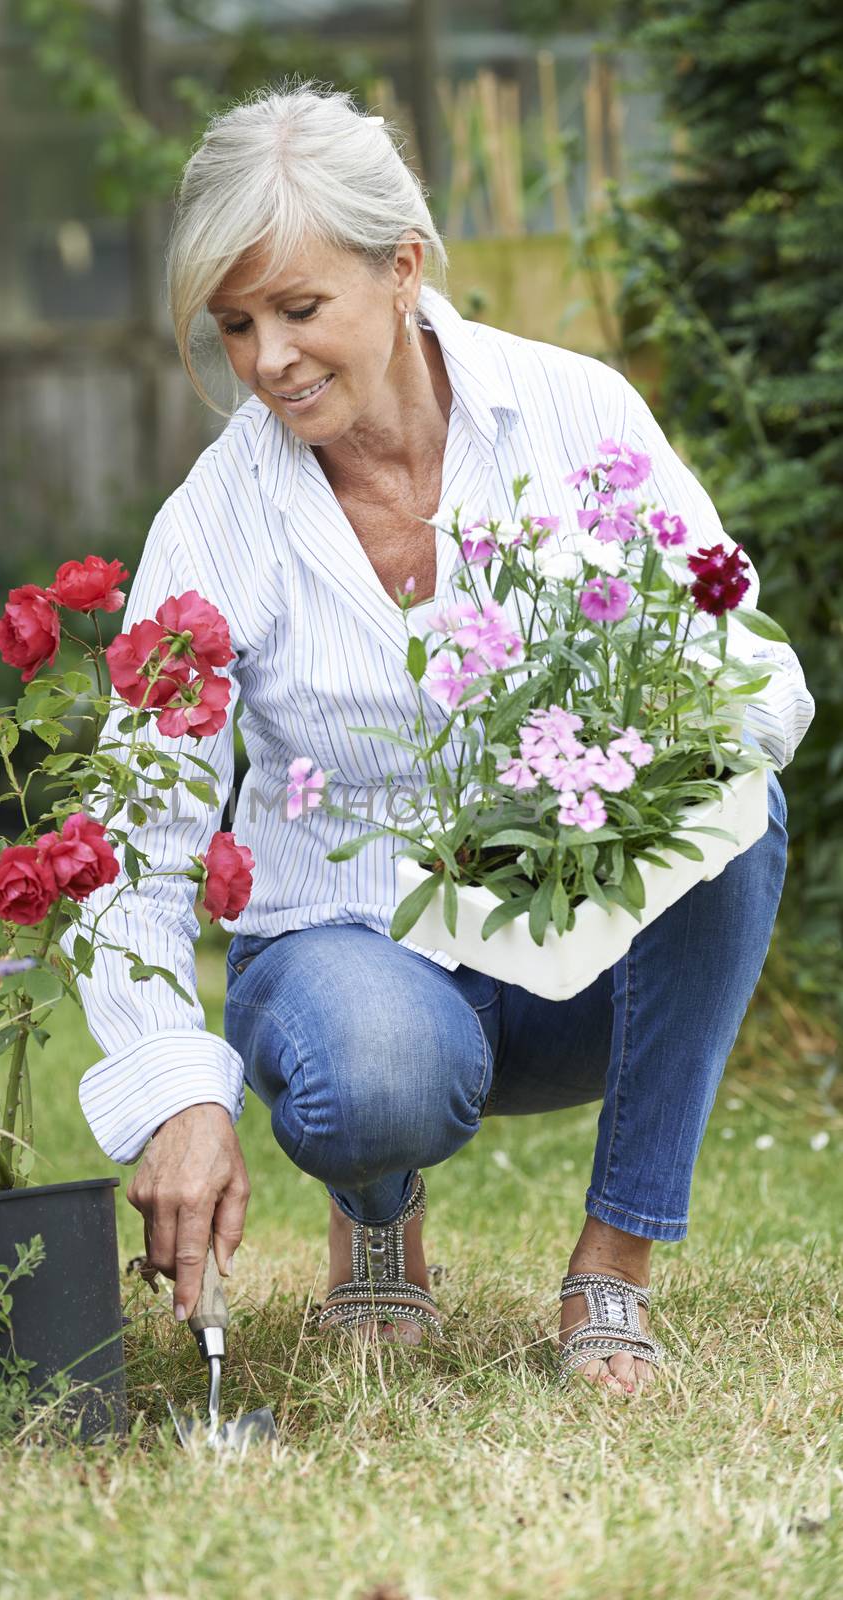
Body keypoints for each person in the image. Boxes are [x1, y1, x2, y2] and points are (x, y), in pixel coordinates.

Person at [65, 87, 814, 1396]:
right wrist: (174, 1090)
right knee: (381, 1072)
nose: (266, 359)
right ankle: (375, 1221)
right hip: (347, 959)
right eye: (235, 324)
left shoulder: (573, 414)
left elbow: (748, 662)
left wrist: (627, 754)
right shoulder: (216, 518)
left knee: (741, 813)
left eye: (299, 310)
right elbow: (138, 829)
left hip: (566, 962)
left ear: (401, 268)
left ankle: (614, 1267)